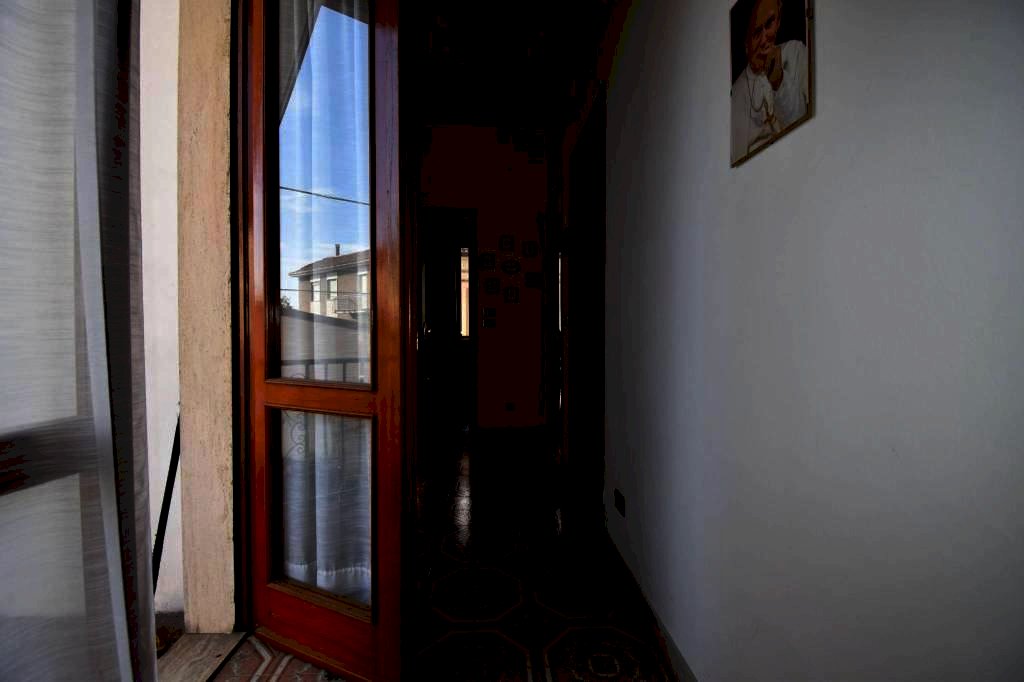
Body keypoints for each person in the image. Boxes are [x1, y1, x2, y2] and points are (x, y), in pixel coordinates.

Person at [731, 0, 808, 163]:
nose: (764, 40)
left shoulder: (795, 52)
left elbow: (805, 127)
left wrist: (779, 81)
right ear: (746, 45)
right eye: (756, 33)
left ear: (778, 21)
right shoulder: (736, 93)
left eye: (769, 24)